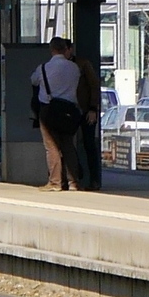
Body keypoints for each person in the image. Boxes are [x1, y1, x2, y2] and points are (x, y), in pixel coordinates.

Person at [29, 36, 83, 191]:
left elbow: (33, 81)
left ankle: (55, 182)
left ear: (51, 50)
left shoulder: (43, 68)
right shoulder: (74, 68)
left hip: (49, 110)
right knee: (68, 146)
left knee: (51, 147)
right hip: (69, 111)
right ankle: (73, 182)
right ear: (65, 49)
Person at [65, 39, 102, 191]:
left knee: (89, 144)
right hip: (70, 109)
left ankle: (94, 179)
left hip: (86, 110)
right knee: (66, 143)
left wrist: (93, 108)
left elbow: (94, 85)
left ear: (70, 49)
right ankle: (75, 174)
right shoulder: (64, 66)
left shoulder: (82, 64)